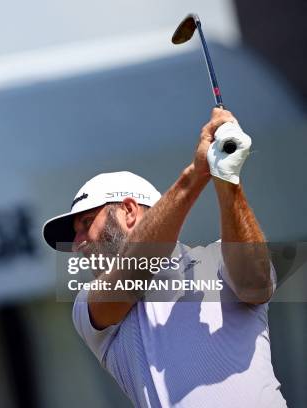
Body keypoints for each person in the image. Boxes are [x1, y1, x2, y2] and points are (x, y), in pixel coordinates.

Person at [42, 108, 286, 407]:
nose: (78, 244)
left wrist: (226, 177)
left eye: (86, 224)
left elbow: (255, 285)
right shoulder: (87, 305)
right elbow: (135, 269)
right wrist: (197, 174)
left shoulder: (219, 257)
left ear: (129, 212)